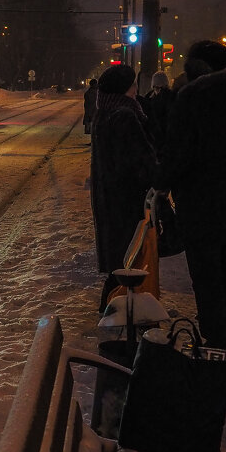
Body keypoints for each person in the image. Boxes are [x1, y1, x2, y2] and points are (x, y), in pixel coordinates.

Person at [156, 40, 226, 354]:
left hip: (200, 205)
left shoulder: (190, 101)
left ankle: (217, 342)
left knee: (206, 277)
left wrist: (161, 181)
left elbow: (178, 155)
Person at [89, 65, 156, 306]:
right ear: (125, 88)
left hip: (108, 196)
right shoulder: (125, 115)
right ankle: (118, 308)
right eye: (133, 85)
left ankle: (112, 304)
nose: (136, 89)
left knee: (118, 256)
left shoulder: (103, 113)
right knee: (129, 256)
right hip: (127, 197)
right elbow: (140, 159)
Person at [138, 70, 175, 150]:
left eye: (160, 88)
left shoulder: (149, 97)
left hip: (161, 134)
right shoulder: (149, 97)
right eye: (156, 87)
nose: (158, 90)